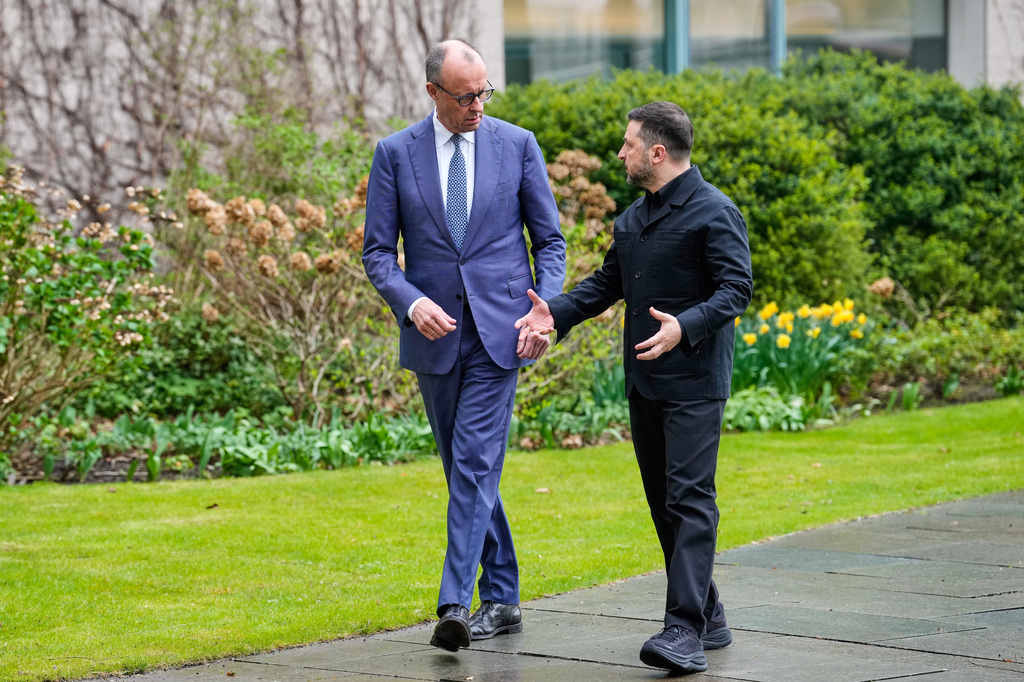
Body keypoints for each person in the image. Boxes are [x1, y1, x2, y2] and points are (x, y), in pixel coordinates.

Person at [515, 101, 752, 674]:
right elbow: (607, 284)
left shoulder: (715, 211)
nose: (620, 153)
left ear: (657, 152)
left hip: (694, 381)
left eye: (628, 144)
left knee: (689, 500)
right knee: (664, 504)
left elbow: (736, 288)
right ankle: (710, 615)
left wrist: (684, 327)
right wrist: (555, 313)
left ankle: (684, 631)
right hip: (645, 384)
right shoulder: (632, 220)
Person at [361, 39, 566, 652]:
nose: (478, 105)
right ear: (433, 93)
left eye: (485, 93)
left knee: (473, 463)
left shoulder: (518, 144)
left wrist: (547, 308)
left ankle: (454, 602)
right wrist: (410, 301)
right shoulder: (395, 153)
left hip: (502, 333)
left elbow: (549, 241)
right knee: (465, 469)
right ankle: (503, 598)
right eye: (466, 96)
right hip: (436, 335)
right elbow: (378, 253)